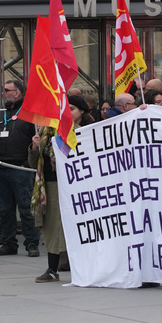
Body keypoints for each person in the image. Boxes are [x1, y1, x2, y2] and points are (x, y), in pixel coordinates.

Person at [31, 95, 91, 283]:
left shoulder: (84, 133)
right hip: (49, 186)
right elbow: (33, 163)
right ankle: (52, 268)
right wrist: (35, 147)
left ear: (81, 112)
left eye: (71, 109)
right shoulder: (48, 133)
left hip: (74, 188)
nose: (67, 112)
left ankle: (82, 266)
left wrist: (66, 161)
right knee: (51, 227)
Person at [0, 79, 39, 257]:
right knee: (4, 209)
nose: (3, 93)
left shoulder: (29, 112)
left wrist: (28, 163)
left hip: (21, 168)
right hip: (0, 168)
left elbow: (36, 140)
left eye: (6, 90)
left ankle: (32, 243)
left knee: (25, 208)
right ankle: (8, 242)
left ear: (17, 93)